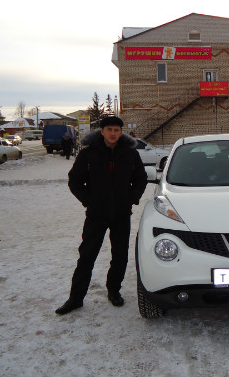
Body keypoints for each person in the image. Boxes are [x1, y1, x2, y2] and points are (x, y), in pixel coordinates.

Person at [55, 116, 148, 315]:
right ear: (102, 131)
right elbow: (75, 181)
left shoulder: (130, 152)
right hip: (96, 214)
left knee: (120, 255)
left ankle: (114, 291)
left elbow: (141, 178)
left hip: (122, 213)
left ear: (120, 132)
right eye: (109, 129)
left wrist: (131, 198)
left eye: (116, 129)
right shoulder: (89, 153)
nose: (113, 133)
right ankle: (75, 298)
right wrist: (89, 201)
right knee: (87, 255)